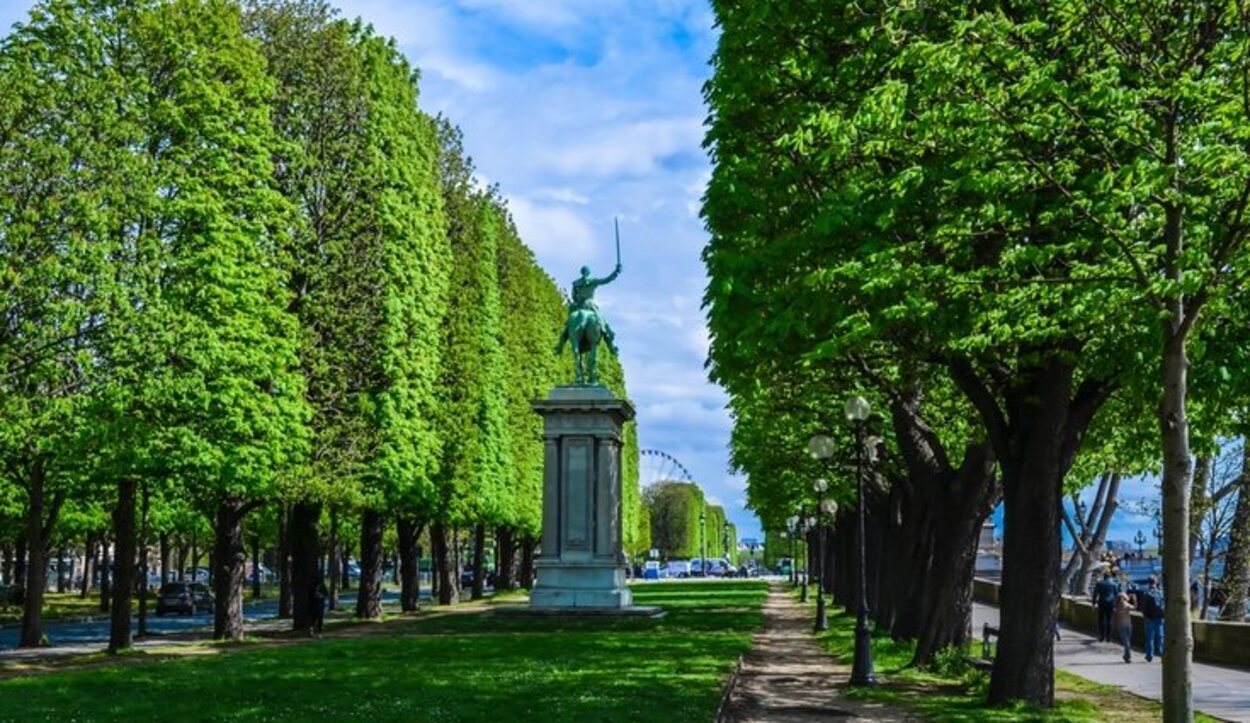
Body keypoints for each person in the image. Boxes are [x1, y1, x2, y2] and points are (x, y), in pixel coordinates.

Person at [1139, 575, 1165, 662]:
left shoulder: (1146, 593)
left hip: (1149, 618)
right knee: (1160, 636)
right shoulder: (1160, 593)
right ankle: (1162, 653)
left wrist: (1145, 615)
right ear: (1156, 582)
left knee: (1149, 637)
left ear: (1148, 582)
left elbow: (1143, 607)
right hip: (1159, 617)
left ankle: (1149, 655)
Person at [1092, 570, 1120, 643]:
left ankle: (1101, 636)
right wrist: (1116, 605)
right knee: (1109, 620)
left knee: (1101, 620)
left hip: (1102, 603)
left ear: (1104, 577)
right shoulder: (1114, 584)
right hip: (1110, 603)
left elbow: (1095, 594)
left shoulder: (1099, 583)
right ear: (1110, 577)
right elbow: (1117, 595)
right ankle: (1108, 637)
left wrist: (1094, 603)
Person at [1113, 592, 1135, 663]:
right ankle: (1128, 656)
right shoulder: (1125, 605)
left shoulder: (1117, 606)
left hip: (1125, 625)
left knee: (1127, 642)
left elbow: (1115, 616)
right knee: (1127, 642)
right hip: (1126, 625)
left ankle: (1126, 656)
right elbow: (1134, 607)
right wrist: (1134, 600)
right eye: (1123, 598)